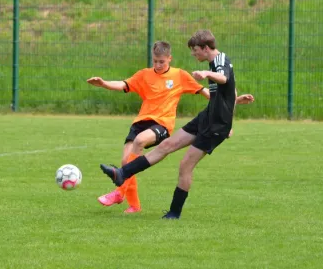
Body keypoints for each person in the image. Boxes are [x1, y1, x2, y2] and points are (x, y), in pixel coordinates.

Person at [100, 30, 253, 219]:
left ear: (205, 48)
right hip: (207, 117)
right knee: (166, 145)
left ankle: (174, 212)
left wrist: (206, 74)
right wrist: (236, 101)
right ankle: (121, 173)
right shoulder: (215, 62)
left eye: (195, 50)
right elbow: (229, 90)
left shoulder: (219, 61)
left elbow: (224, 79)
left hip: (216, 126)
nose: (193, 54)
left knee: (185, 166)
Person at [87, 41, 209, 214]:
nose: (158, 65)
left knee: (139, 141)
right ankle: (134, 205)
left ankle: (118, 192)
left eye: (162, 62)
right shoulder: (144, 75)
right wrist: (104, 83)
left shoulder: (180, 75)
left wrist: (225, 105)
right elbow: (123, 84)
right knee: (126, 162)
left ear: (169, 58)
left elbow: (203, 91)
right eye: (155, 61)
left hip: (162, 124)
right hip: (140, 122)